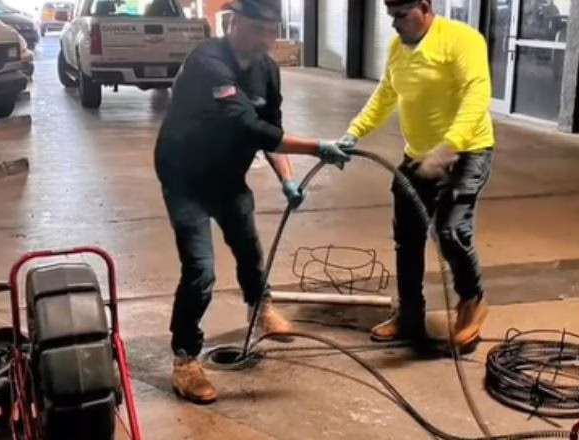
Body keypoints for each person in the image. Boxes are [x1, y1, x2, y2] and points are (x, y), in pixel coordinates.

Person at [153, 0, 351, 404]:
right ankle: (185, 359)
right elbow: (248, 126)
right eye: (259, 29)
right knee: (200, 270)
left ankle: (260, 308)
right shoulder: (207, 63)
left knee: (248, 247)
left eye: (273, 30)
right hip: (185, 179)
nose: (268, 39)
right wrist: (317, 147)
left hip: (229, 177)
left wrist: (288, 179)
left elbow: (270, 129)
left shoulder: (267, 70)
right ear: (235, 22)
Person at [336, 0, 495, 351]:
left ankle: (472, 302)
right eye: (390, 16)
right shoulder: (398, 48)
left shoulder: (462, 39)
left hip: (466, 152)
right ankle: (410, 313)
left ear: (425, 6)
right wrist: (354, 131)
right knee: (407, 236)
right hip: (418, 155)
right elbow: (386, 93)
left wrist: (450, 145)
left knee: (450, 230)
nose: (395, 24)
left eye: (401, 15)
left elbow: (477, 94)